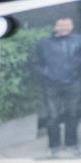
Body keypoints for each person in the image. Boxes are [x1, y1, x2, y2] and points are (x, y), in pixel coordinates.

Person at [31, 15, 81, 154]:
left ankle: (71, 145)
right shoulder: (44, 43)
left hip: (74, 84)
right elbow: (34, 62)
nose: (64, 28)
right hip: (51, 85)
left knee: (73, 114)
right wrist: (47, 74)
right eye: (61, 25)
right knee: (53, 116)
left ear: (71, 27)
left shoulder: (79, 40)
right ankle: (54, 146)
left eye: (67, 25)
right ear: (55, 27)